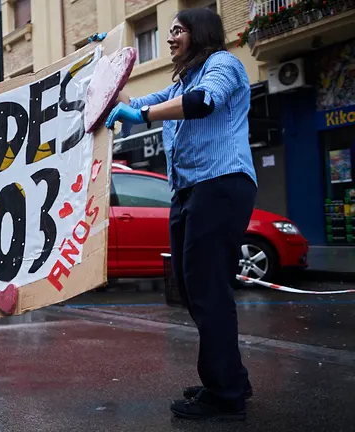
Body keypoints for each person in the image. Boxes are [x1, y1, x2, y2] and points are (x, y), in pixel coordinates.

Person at [105, 8, 257, 421]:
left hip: (221, 183)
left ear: (199, 33)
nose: (170, 38)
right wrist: (102, 65)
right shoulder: (181, 82)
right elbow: (131, 103)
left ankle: (224, 394)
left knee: (208, 289)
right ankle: (229, 378)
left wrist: (145, 115)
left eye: (176, 31)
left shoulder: (222, 65)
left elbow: (203, 103)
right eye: (168, 31)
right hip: (190, 190)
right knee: (193, 290)